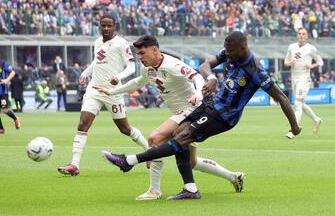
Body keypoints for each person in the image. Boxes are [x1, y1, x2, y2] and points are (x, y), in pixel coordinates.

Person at [101, 31, 301, 200]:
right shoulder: (230, 52)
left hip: (224, 116)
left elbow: (282, 97)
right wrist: (212, 77)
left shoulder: (255, 71)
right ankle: (192, 188)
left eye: (230, 53)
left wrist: (295, 126)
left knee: (179, 138)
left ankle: (129, 161)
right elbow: (205, 66)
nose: (227, 56)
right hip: (211, 105)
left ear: (242, 49)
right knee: (183, 140)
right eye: (226, 51)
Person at [94, 35, 245, 200]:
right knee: (192, 162)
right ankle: (233, 177)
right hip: (180, 112)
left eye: (142, 53)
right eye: (138, 54)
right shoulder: (148, 68)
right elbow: (138, 82)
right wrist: (112, 91)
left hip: (193, 109)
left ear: (155, 50)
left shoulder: (172, 64)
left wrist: (197, 93)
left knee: (155, 138)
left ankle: (154, 190)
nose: (140, 58)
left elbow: (197, 77)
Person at [57, 14, 148, 176]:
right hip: (94, 89)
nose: (105, 28)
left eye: (109, 26)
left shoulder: (121, 44)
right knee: (83, 124)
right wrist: (85, 73)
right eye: (103, 25)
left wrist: (118, 78)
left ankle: (150, 151)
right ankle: (74, 165)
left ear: (115, 26)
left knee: (125, 129)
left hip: (113, 92)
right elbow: (97, 62)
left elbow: (132, 68)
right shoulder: (97, 41)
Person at [284, 27, 323, 139]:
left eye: (303, 34)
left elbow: (320, 62)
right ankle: (316, 119)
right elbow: (286, 62)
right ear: (297, 35)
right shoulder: (291, 47)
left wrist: (311, 66)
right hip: (294, 78)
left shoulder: (311, 48)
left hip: (304, 79)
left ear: (306, 36)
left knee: (297, 103)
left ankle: (294, 130)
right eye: (299, 33)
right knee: (300, 103)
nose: (301, 35)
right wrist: (289, 62)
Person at [0, 59, 21, 134]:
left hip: (2, 91)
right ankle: (1, 129)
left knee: (4, 109)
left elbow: (13, 72)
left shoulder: (2, 63)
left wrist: (6, 80)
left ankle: (15, 119)